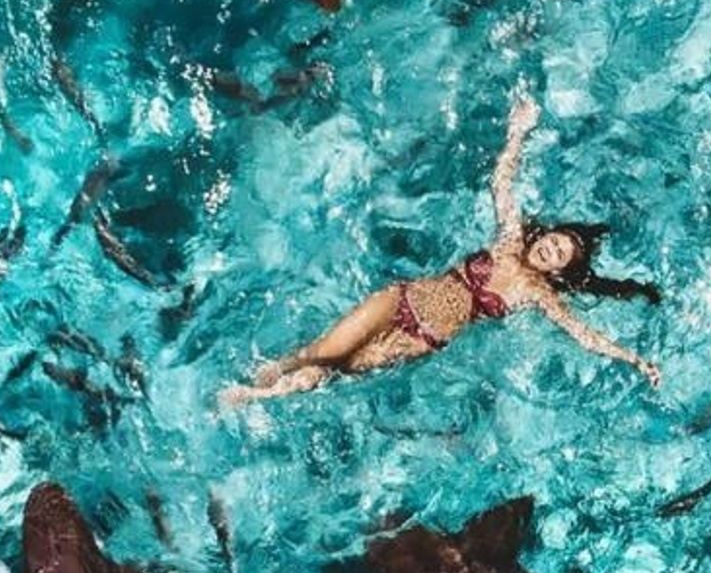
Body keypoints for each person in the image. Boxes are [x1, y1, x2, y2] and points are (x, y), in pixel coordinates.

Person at [220, 90, 662, 408]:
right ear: (544, 235)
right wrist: (518, 132)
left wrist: (633, 360)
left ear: (558, 272)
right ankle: (268, 374)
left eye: (560, 255)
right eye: (554, 241)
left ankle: (254, 396)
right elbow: (502, 183)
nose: (551, 249)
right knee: (320, 352)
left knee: (334, 372)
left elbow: (581, 332)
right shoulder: (510, 241)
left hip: (420, 339)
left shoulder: (537, 292)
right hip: (399, 301)